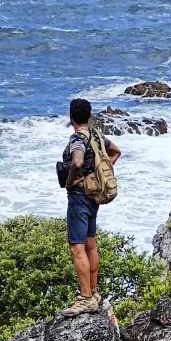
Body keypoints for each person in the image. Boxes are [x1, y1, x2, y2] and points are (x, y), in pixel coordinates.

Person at [60, 98, 121, 317]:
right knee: (90, 245)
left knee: (77, 248)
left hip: (79, 198)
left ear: (71, 117)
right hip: (94, 197)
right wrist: (97, 174)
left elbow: (77, 162)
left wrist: (71, 181)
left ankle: (85, 298)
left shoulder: (78, 138)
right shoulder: (96, 135)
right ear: (89, 115)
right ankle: (94, 293)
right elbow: (115, 152)